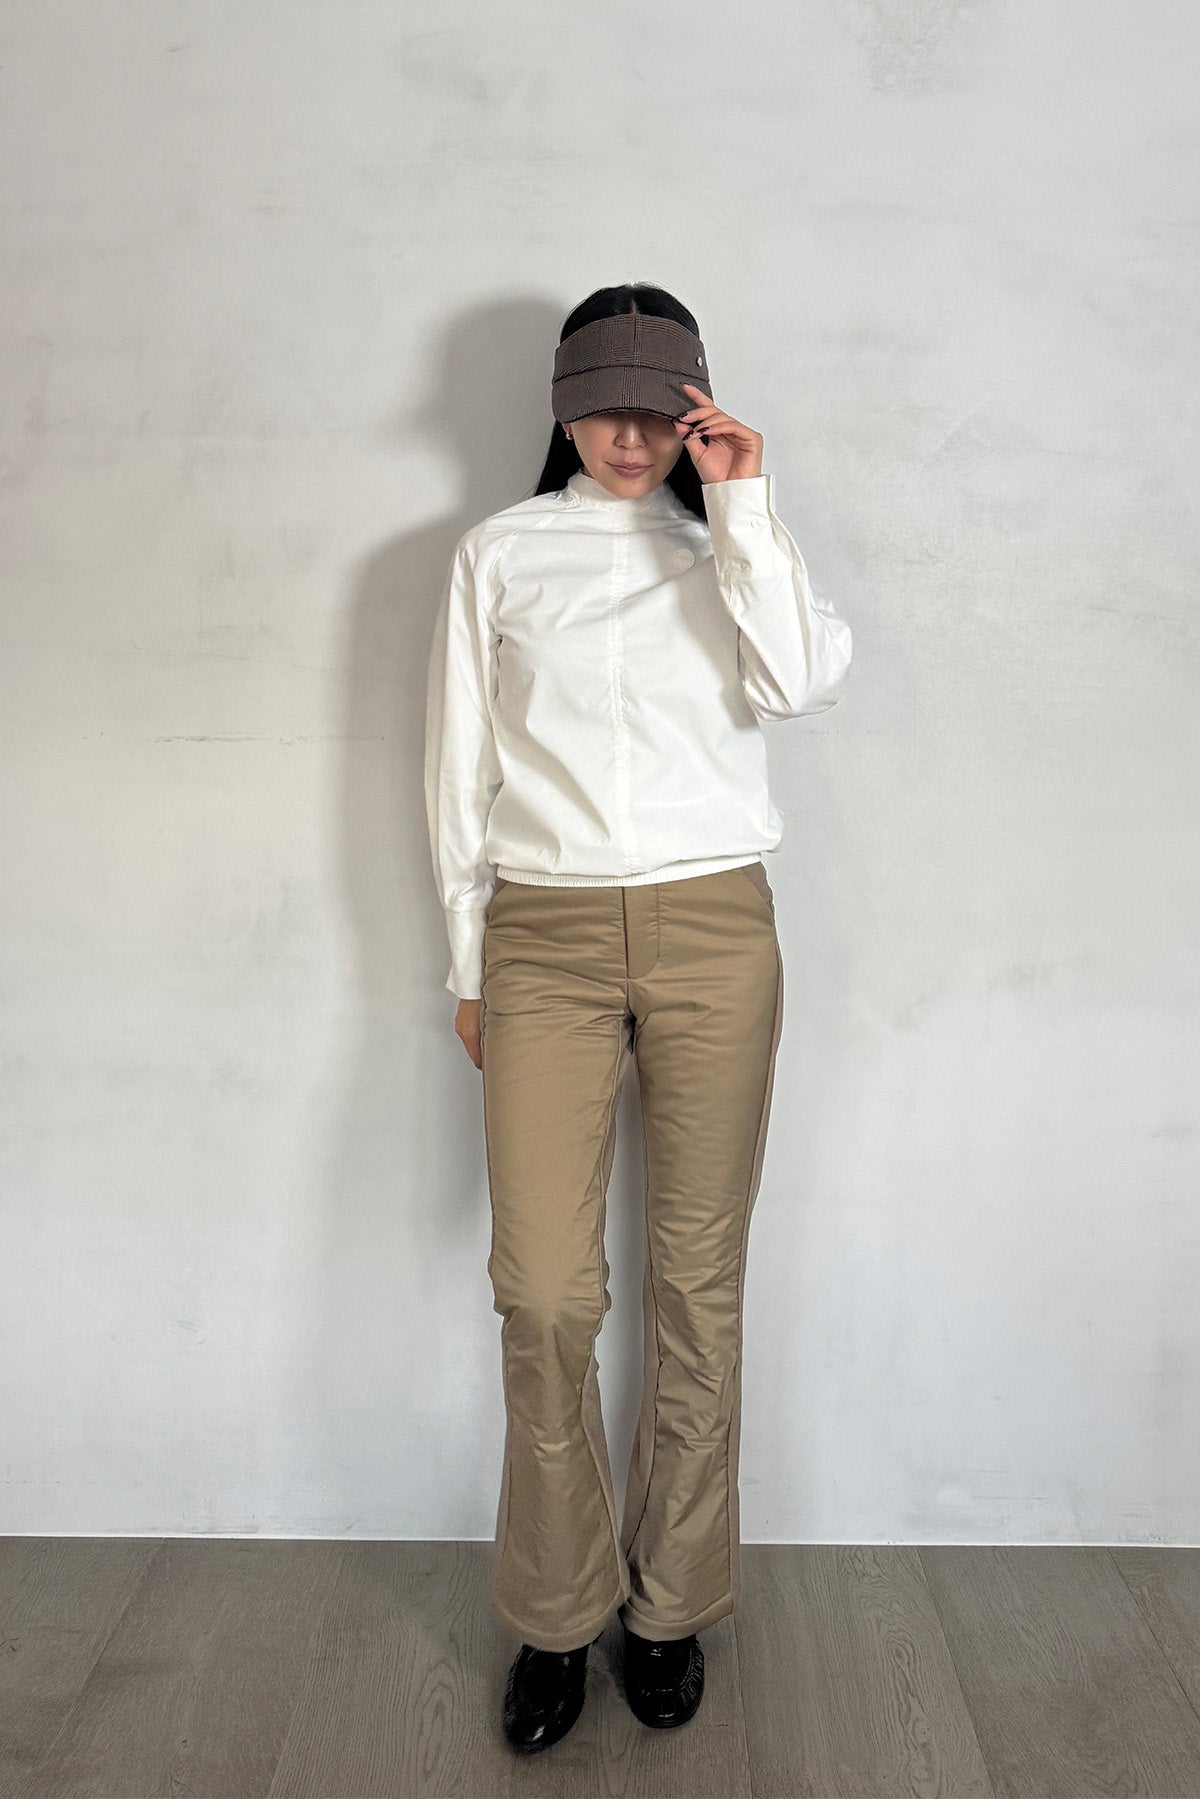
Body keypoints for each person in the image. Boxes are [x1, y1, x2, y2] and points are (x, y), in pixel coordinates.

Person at [423, 283, 853, 1755]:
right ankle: (556, 1614)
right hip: (541, 938)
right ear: (562, 409)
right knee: (545, 1293)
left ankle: (670, 1605)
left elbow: (800, 681)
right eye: (602, 406)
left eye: (656, 410)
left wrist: (744, 503)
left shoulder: (728, 548)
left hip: (716, 930)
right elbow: (457, 772)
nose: (628, 435)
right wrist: (467, 966)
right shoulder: (499, 555)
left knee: (696, 1282)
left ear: (695, 413)